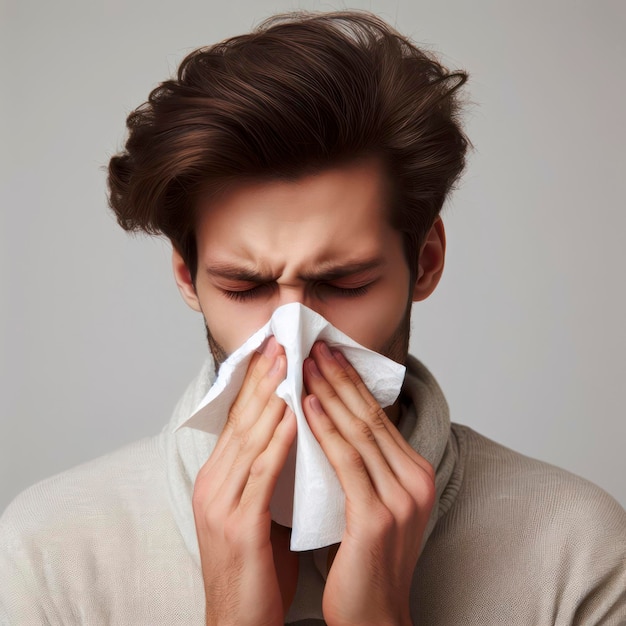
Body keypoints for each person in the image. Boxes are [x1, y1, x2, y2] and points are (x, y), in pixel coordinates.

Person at [1, 10, 625, 626]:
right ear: (189, 278)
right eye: (245, 286)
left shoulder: (576, 549)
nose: (294, 338)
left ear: (426, 262)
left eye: (344, 282)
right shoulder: (51, 554)